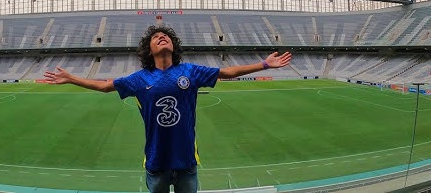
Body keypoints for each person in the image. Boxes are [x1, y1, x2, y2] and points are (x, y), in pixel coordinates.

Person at [43, 25, 292, 193]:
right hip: (156, 163)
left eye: (166, 36)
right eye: (155, 37)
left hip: (186, 163)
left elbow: (227, 72)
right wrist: (72, 78)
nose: (162, 37)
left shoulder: (190, 72)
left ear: (173, 46)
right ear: (148, 50)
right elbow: (106, 86)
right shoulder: (140, 79)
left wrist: (264, 65)